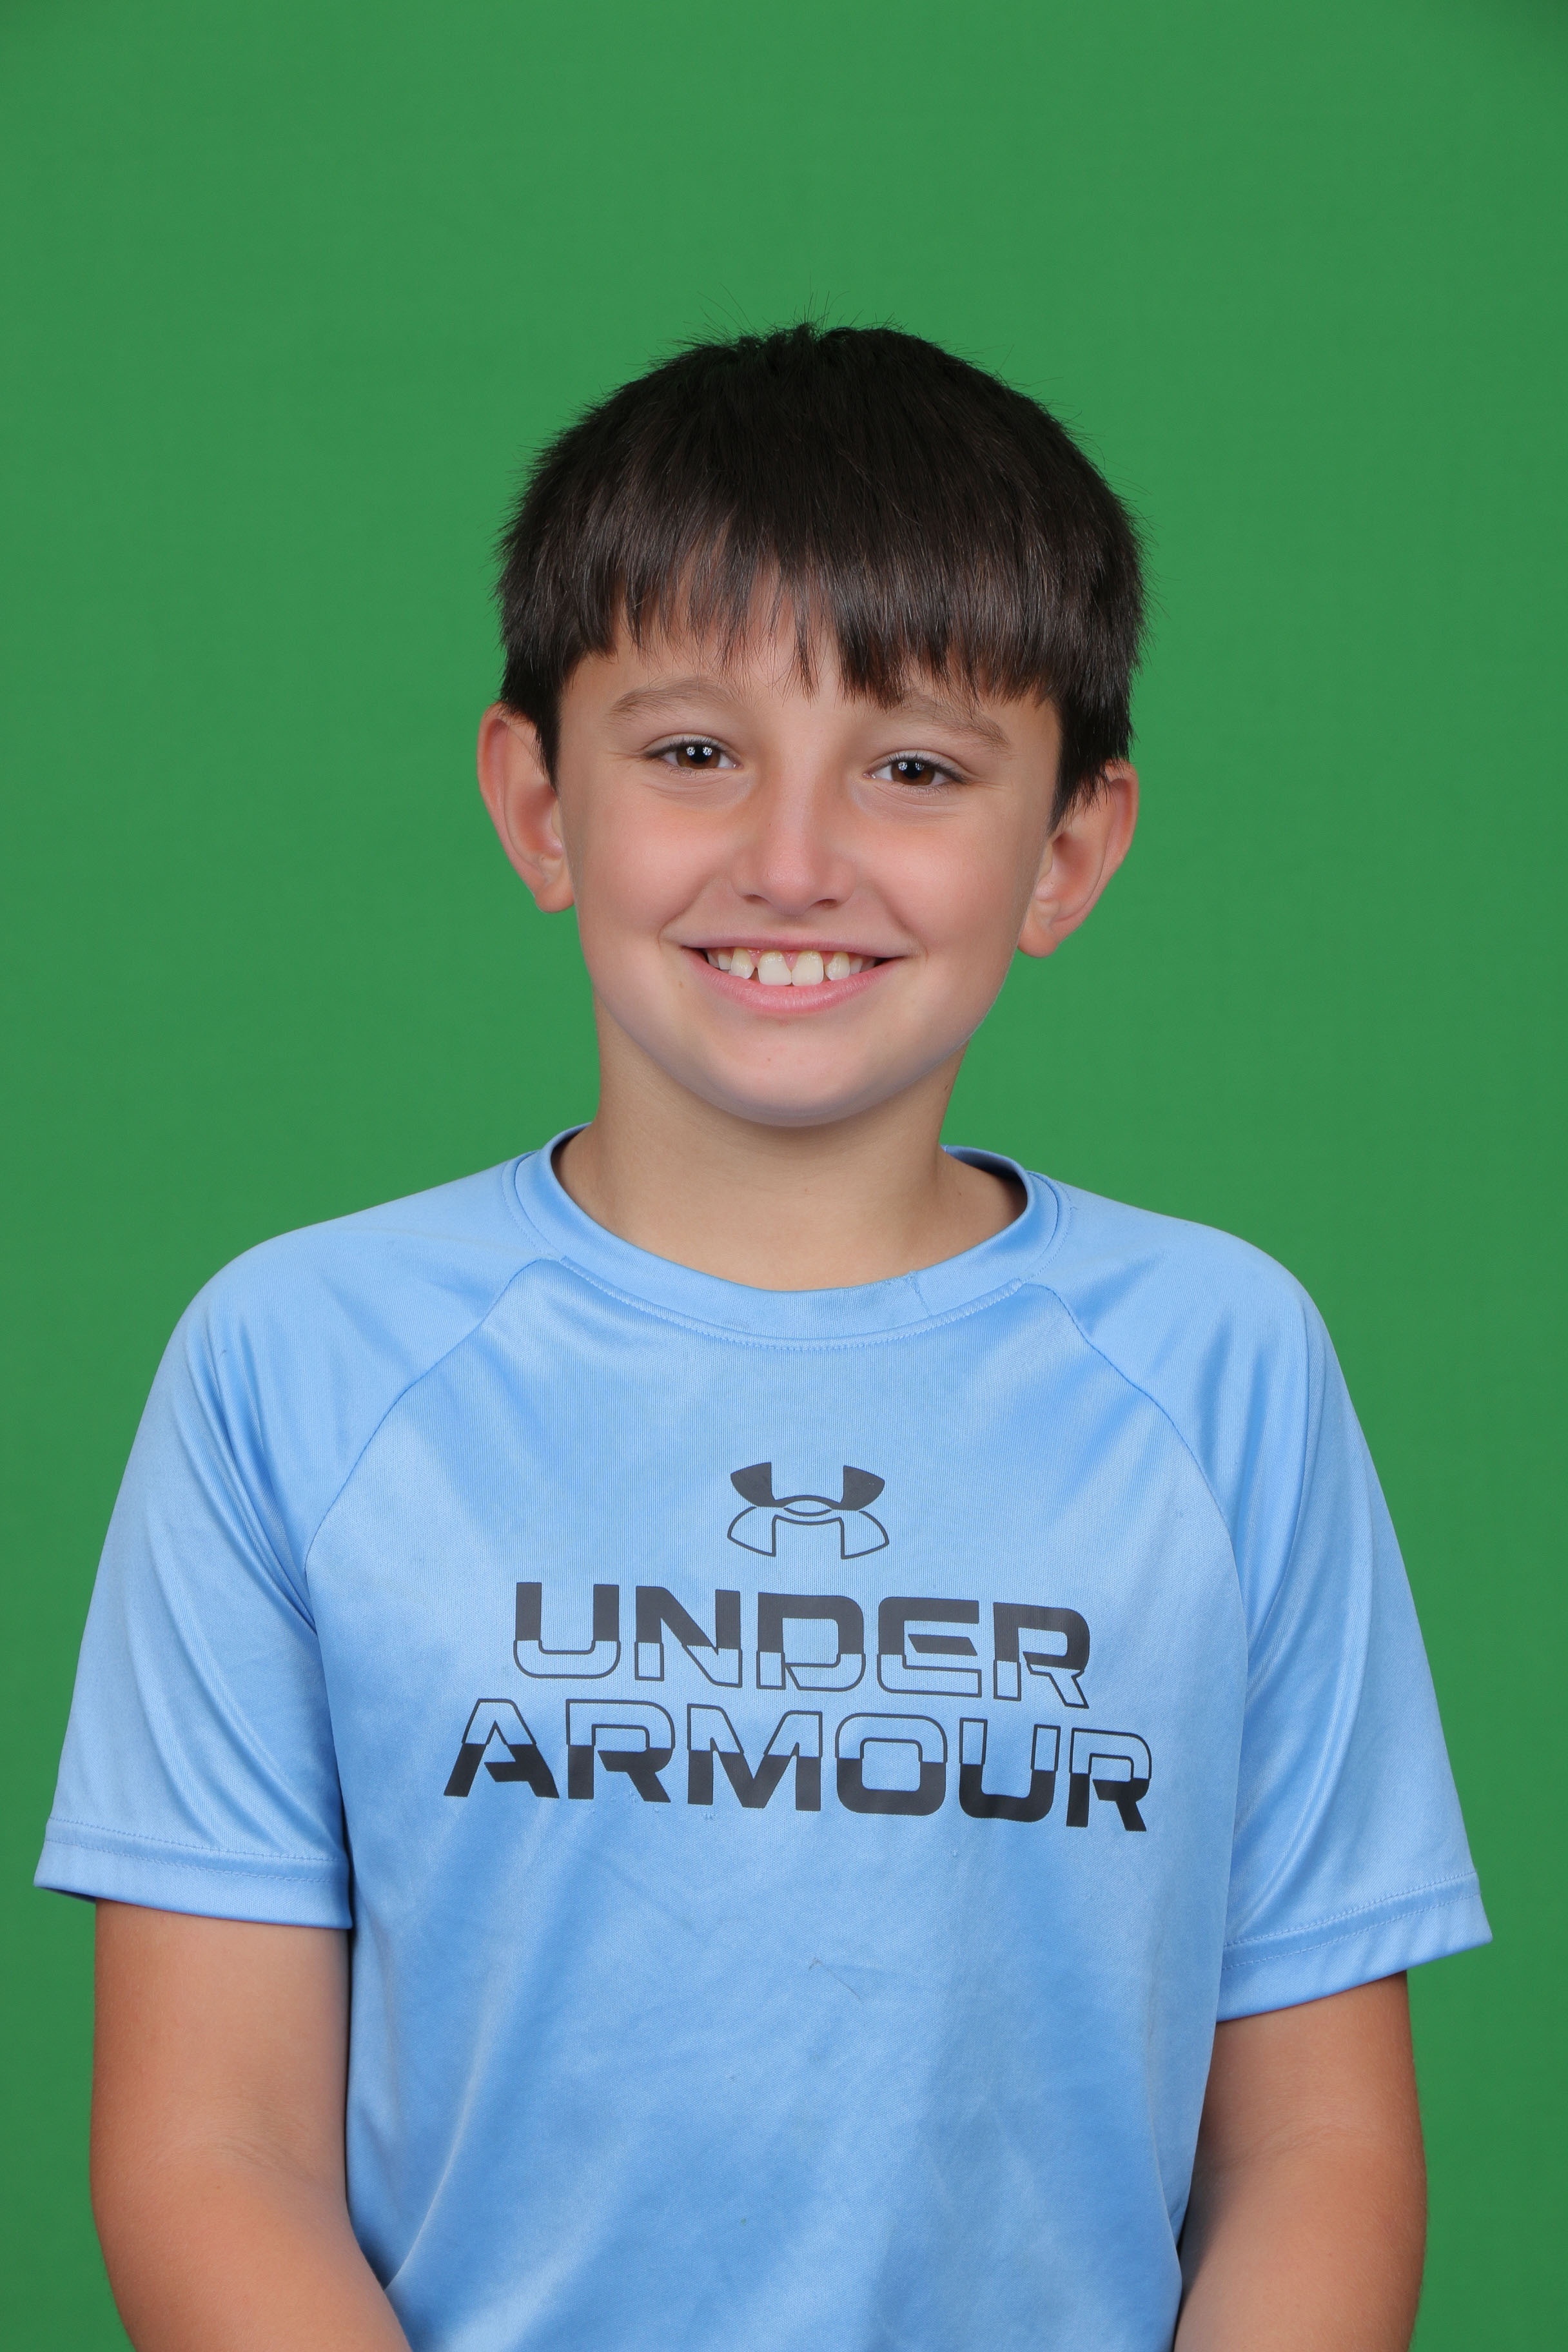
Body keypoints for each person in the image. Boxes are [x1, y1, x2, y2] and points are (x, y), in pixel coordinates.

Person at [37, 322, 1487, 2352]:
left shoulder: (1224, 1364)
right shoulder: (296, 1362)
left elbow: (1316, 2150)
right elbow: (213, 2150)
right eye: (695, 753)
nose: (793, 864)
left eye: (916, 769)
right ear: (539, 803)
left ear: (1069, 849)